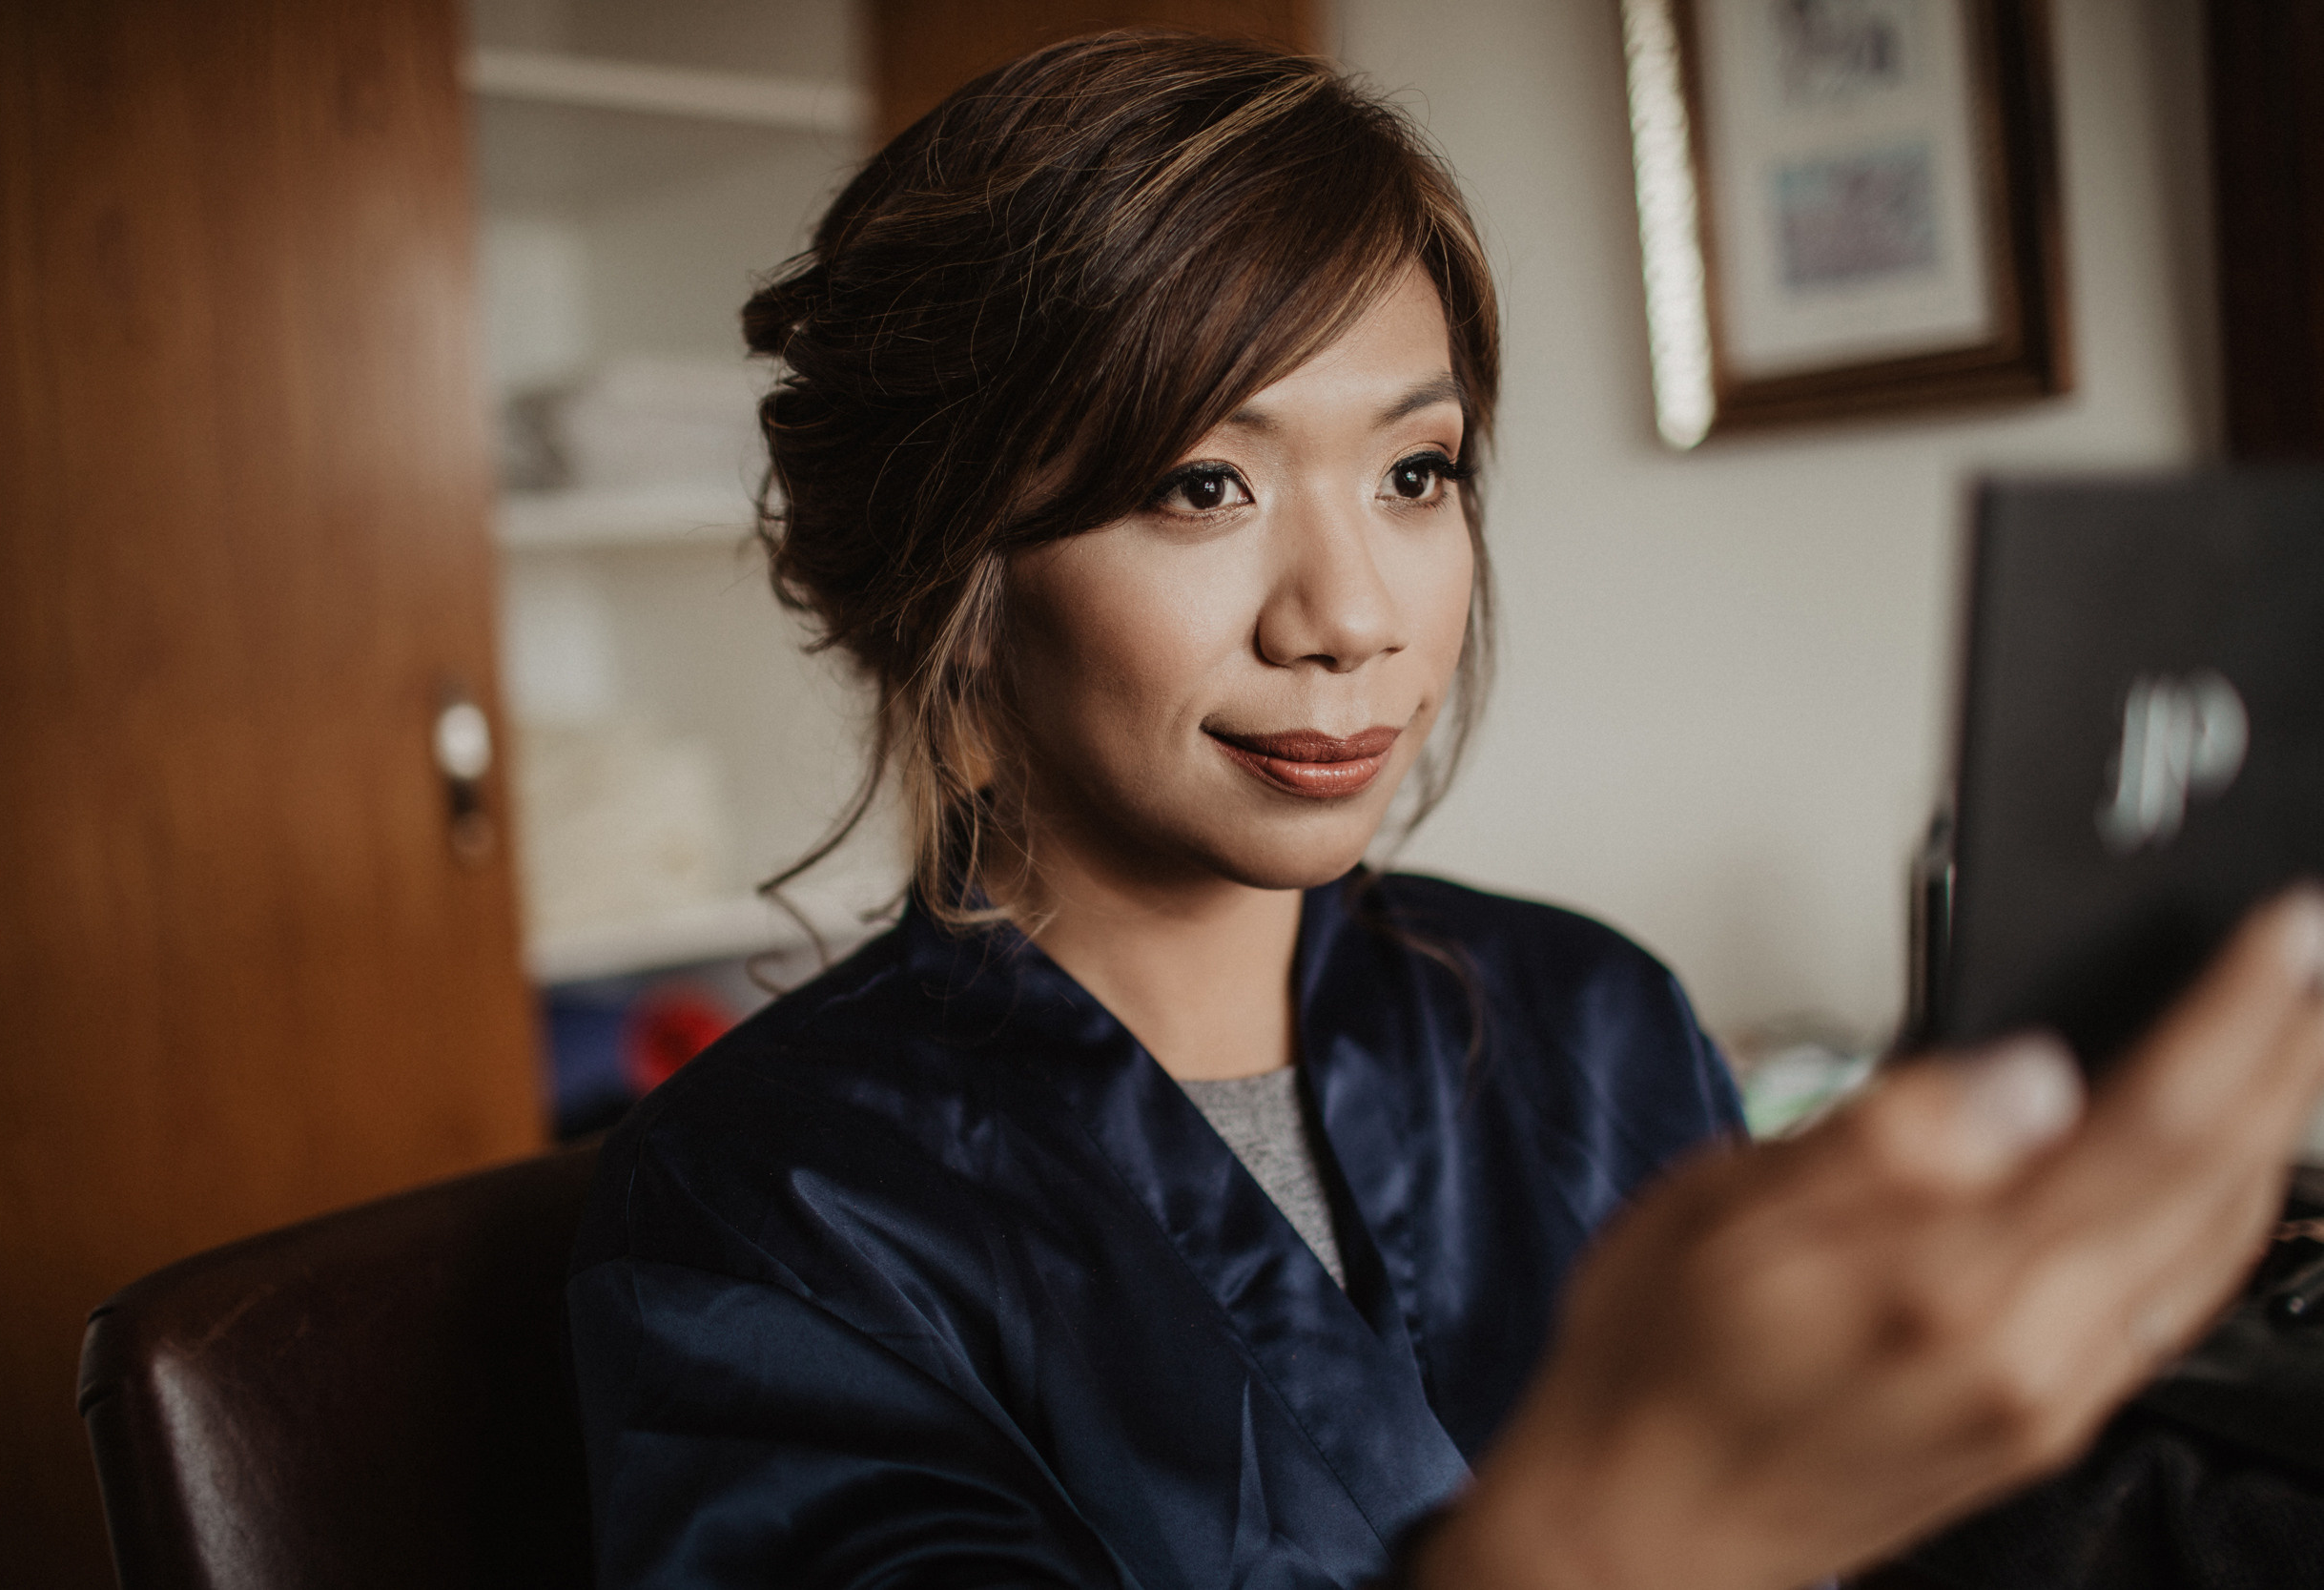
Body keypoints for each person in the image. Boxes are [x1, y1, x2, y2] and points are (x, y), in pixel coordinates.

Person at [566, 33, 2324, 1589]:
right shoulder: (762, 1212)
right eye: (1203, 484)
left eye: (1417, 472)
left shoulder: (1592, 1017)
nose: (1350, 614)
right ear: (956, 563)